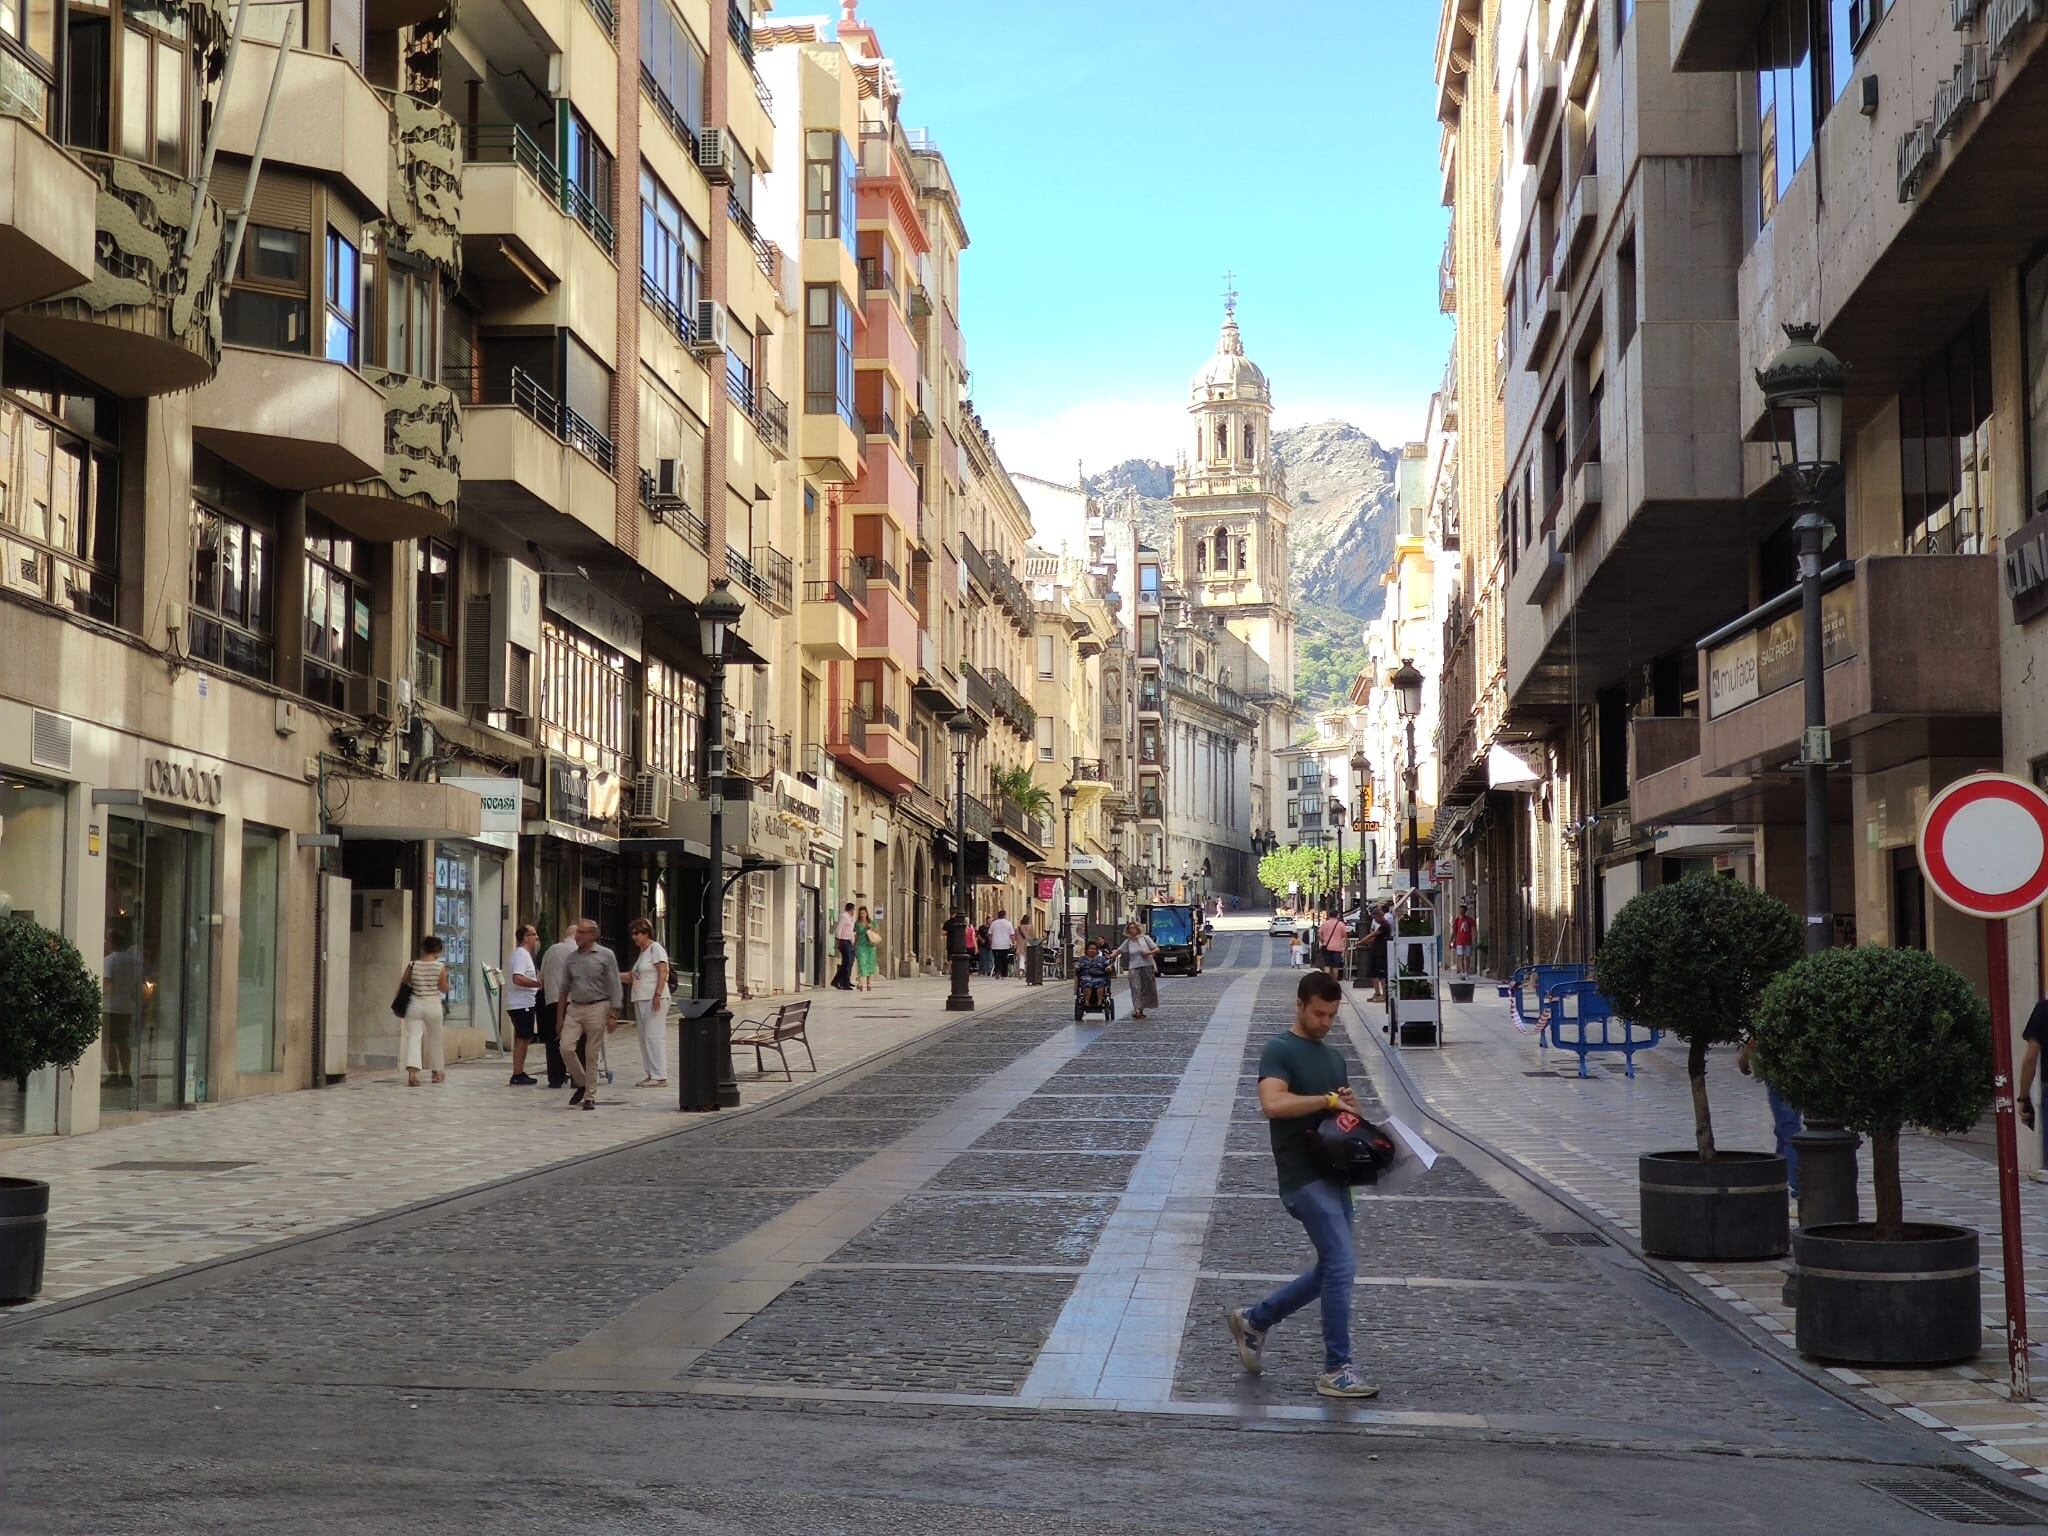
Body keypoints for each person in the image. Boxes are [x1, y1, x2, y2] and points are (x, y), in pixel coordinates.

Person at [1225, 971, 1377, 1400]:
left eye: (1332, 1015)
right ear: (1300, 1005)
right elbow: (1272, 1103)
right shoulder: (1279, 1049)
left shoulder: (1334, 1058)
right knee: (1342, 1266)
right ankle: (1336, 1367)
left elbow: (1343, 1119)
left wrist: (1350, 1109)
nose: (1326, 1022)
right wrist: (1325, 1100)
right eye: (1318, 1013)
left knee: (1333, 1268)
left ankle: (1254, 1320)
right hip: (1301, 1178)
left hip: (1336, 1177)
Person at [558, 919, 622, 1110]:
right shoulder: (571, 958)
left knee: (591, 1052)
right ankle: (582, 1081)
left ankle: (589, 1096)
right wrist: (559, 1016)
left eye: (583, 932)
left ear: (593, 935)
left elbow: (615, 985)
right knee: (566, 1047)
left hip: (598, 1006)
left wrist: (614, 1014)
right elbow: (563, 988)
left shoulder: (605, 955)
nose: (578, 936)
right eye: (577, 932)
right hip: (575, 1007)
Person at [1738, 1039, 1802, 1199]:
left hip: (1783, 1067)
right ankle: (1783, 1179)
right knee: (1784, 1129)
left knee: (1788, 1129)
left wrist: (1746, 1054)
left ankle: (1795, 1186)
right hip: (1790, 1065)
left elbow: (1762, 1031)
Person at [398, 936, 452, 1089]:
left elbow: (404, 982)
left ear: (424, 949)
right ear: (438, 950)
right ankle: (436, 1073)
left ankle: (413, 1074)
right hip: (433, 1005)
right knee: (435, 1039)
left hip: (414, 1005)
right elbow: (442, 987)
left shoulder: (413, 965)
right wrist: (448, 985)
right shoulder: (439, 967)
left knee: (414, 1038)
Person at [627, 918, 670, 1088]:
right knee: (644, 1037)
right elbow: (634, 977)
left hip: (653, 998)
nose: (634, 937)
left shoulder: (655, 948)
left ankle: (660, 1076)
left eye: (637, 933)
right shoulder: (642, 953)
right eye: (633, 933)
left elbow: (663, 971)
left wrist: (657, 994)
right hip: (640, 997)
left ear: (646, 933)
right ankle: (651, 1073)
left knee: (654, 1036)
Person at [537, 922, 579, 1088]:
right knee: (575, 1039)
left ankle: (555, 1078)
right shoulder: (577, 951)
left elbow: (542, 977)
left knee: (553, 1039)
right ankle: (577, 1076)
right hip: (573, 1000)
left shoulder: (551, 950)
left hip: (552, 999)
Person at [507, 924, 542, 1085]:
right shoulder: (522, 955)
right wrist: (536, 984)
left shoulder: (521, 954)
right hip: (521, 1004)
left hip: (522, 1003)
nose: (537, 938)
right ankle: (517, 1073)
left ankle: (519, 1071)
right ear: (525, 938)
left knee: (524, 1037)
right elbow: (517, 977)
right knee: (523, 1038)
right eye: (534, 934)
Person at [1118, 920, 1160, 1019]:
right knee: (1135, 988)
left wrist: (1148, 953)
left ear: (1137, 929)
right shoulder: (1128, 941)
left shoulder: (1145, 938)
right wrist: (1111, 956)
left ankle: (1141, 1009)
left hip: (1147, 965)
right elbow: (1119, 950)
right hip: (1133, 967)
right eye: (1130, 928)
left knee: (1145, 989)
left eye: (1133, 928)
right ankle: (1136, 1009)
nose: (1132, 930)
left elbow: (1157, 949)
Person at [1074, 941, 1113, 1014]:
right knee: (1087, 983)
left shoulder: (1101, 959)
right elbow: (1077, 965)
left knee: (1100, 983)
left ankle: (1099, 1003)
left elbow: (1108, 965)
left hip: (1098, 976)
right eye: (1091, 948)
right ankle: (1086, 1003)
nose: (1093, 950)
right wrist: (1077, 967)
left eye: (1094, 949)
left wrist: (1109, 968)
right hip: (1086, 976)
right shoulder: (1082, 959)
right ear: (1087, 950)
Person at [1316, 908, 1349, 980]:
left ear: (1329, 915)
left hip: (1326, 947)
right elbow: (1345, 936)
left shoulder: (1324, 924)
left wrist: (1322, 940)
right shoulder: (1341, 925)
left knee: (1327, 965)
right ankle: (1334, 982)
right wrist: (1345, 947)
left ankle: (1326, 981)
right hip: (1337, 948)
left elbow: (1319, 935)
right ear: (1337, 915)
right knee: (1335, 966)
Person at [854, 905, 880, 992]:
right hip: (861, 946)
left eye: (863, 913)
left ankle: (869, 982)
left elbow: (876, 932)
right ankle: (861, 983)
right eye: (860, 913)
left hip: (870, 946)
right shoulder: (857, 924)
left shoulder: (872, 923)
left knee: (869, 964)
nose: (862, 915)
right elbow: (856, 934)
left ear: (866, 913)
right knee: (861, 963)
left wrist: (871, 928)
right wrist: (854, 945)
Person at [832, 903, 858, 991]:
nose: (854, 911)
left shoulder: (851, 918)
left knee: (848, 962)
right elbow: (839, 928)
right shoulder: (844, 916)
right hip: (843, 941)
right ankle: (842, 982)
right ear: (850, 909)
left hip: (849, 941)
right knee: (847, 962)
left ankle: (841, 981)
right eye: (854, 909)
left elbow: (851, 930)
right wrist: (838, 940)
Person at [989, 909, 1016, 979]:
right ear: (1004, 915)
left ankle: (998, 972)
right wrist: (1013, 943)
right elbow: (1012, 935)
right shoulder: (1008, 923)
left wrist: (990, 942)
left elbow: (990, 934)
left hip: (995, 945)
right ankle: (1004, 974)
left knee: (997, 959)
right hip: (1005, 944)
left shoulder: (993, 923)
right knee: (1004, 960)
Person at [1451, 905, 1476, 976]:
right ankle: (1462, 971)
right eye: (1460, 910)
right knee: (1461, 956)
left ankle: (1466, 972)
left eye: (1462, 910)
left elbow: (1473, 929)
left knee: (1467, 957)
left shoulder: (1469, 920)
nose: (1461, 911)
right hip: (1459, 941)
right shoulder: (1457, 920)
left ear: (1465, 911)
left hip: (1468, 941)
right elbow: (1454, 931)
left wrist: (1474, 938)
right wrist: (1451, 940)